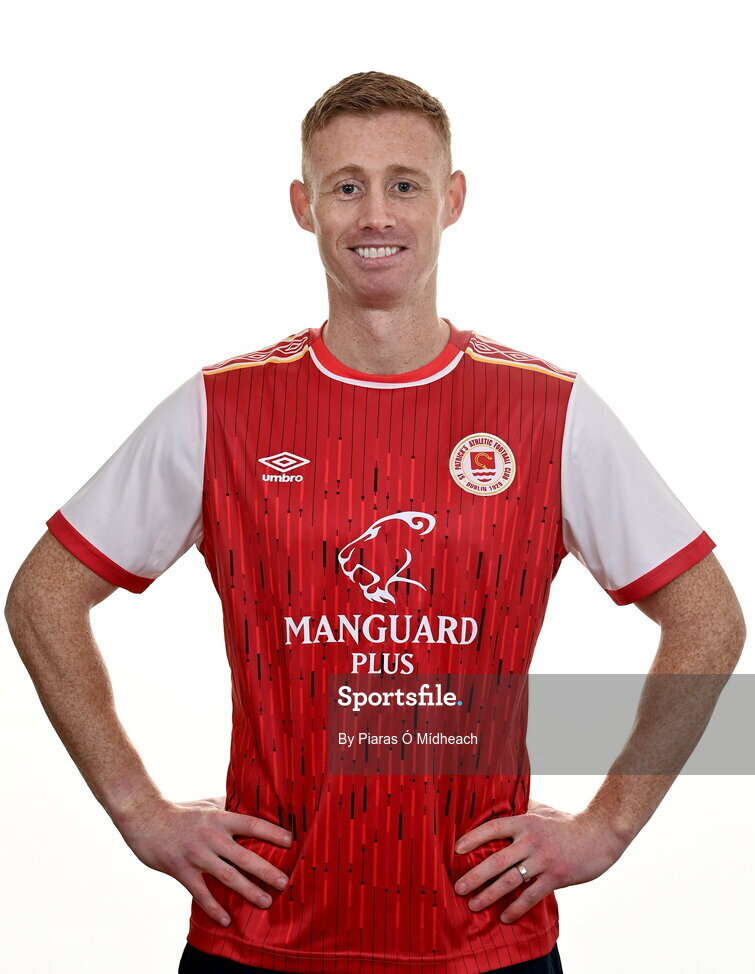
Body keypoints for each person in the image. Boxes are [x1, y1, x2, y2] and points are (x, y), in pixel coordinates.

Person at [5, 70, 745, 974]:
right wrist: (138, 809)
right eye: (344, 186)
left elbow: (710, 619)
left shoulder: (548, 413)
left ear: (452, 199)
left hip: (483, 941)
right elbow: (41, 597)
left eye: (404, 183)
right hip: (260, 936)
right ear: (301, 205)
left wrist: (610, 824)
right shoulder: (220, 409)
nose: (375, 215)